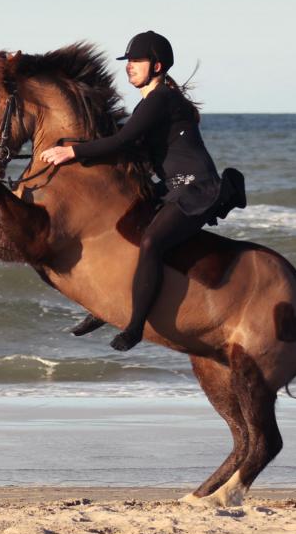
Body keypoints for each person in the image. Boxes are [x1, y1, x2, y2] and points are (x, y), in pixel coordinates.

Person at [40, 30, 245, 351]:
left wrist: (72, 153)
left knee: (150, 243)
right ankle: (106, 308)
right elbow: (126, 144)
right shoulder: (152, 102)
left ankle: (134, 326)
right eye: (128, 61)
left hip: (194, 189)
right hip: (170, 189)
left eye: (137, 61)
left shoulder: (162, 98)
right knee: (123, 236)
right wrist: (76, 145)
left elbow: (123, 141)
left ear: (158, 66)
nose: (129, 66)